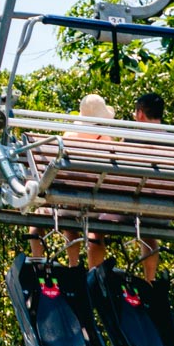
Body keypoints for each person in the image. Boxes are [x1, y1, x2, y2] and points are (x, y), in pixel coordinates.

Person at [29, 92, 117, 261]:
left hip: (68, 203)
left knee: (39, 215)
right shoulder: (107, 140)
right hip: (97, 206)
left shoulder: (69, 137)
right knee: (94, 231)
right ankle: (93, 271)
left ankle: (41, 262)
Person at [128, 92, 165, 281]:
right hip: (165, 211)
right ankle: (149, 281)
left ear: (140, 113)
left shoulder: (131, 138)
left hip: (131, 209)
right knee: (149, 232)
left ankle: (92, 275)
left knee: (96, 222)